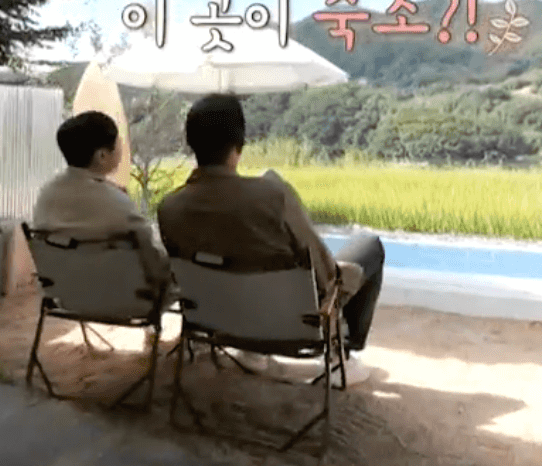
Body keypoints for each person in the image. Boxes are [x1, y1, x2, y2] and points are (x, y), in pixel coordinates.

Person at [156, 94, 385, 376]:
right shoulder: (272, 196)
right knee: (369, 246)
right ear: (238, 145)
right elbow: (325, 273)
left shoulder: (169, 208)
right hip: (288, 324)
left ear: (191, 143)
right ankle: (343, 352)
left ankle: (253, 353)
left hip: (215, 320)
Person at [31, 111, 171, 291]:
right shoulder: (117, 202)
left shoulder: (46, 194)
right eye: (118, 142)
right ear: (102, 156)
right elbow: (154, 261)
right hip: (119, 296)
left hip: (62, 294)